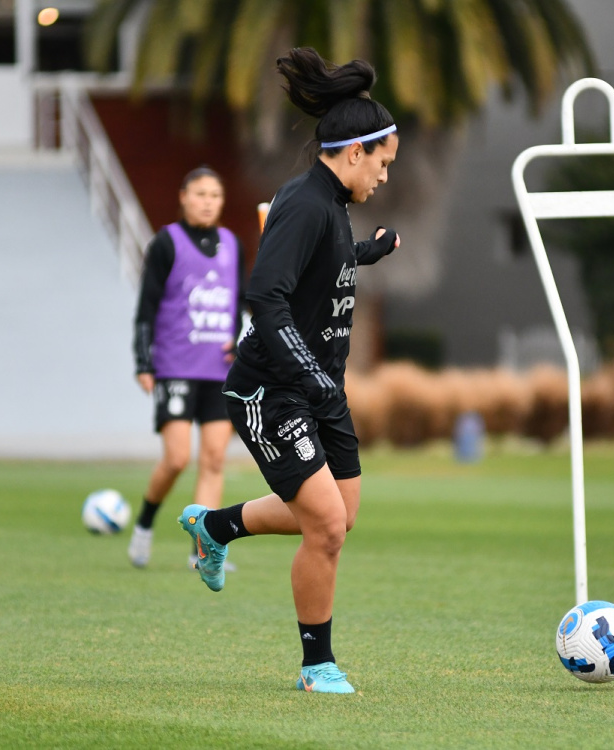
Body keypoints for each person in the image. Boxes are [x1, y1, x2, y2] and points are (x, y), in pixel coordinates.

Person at [178, 47, 400, 695]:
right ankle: (316, 666)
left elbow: (322, 265)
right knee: (326, 526)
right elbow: (266, 297)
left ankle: (214, 525)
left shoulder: (330, 206)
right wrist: (309, 375)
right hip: (272, 390)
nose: (385, 177)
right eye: (383, 163)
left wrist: (367, 253)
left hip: (319, 388)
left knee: (340, 515)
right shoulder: (303, 202)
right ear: (354, 152)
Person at [128, 166, 245, 569]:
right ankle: (144, 524)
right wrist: (143, 361)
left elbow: (238, 304)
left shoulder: (233, 244)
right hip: (176, 366)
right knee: (177, 458)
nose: (208, 201)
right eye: (200, 193)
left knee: (213, 460)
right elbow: (146, 308)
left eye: (215, 194)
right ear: (183, 196)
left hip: (220, 369)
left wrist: (241, 335)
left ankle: (203, 550)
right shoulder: (166, 243)